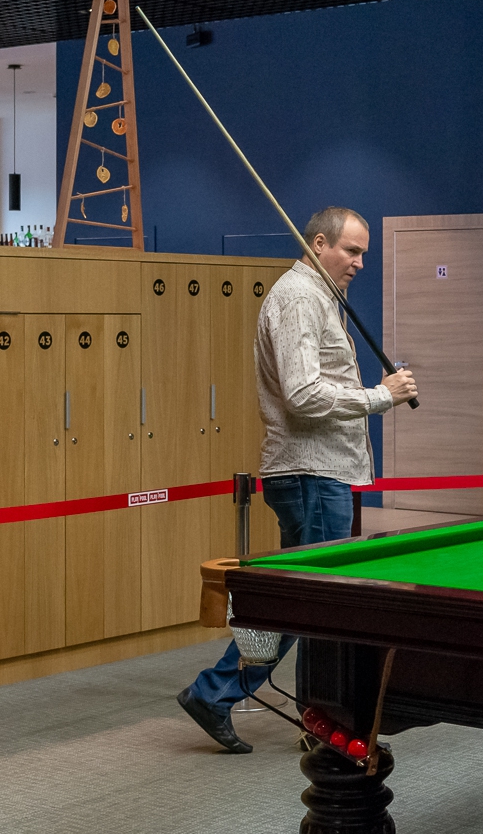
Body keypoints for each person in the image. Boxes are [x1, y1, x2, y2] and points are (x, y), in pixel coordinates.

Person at [177, 207, 417, 752]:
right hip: (311, 473)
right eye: (351, 251)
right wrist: (381, 397)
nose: (359, 263)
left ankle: (223, 696)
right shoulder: (300, 298)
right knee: (316, 603)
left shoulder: (321, 297)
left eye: (363, 254)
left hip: (323, 472)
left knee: (299, 601)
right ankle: (314, 721)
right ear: (319, 243)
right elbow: (303, 395)